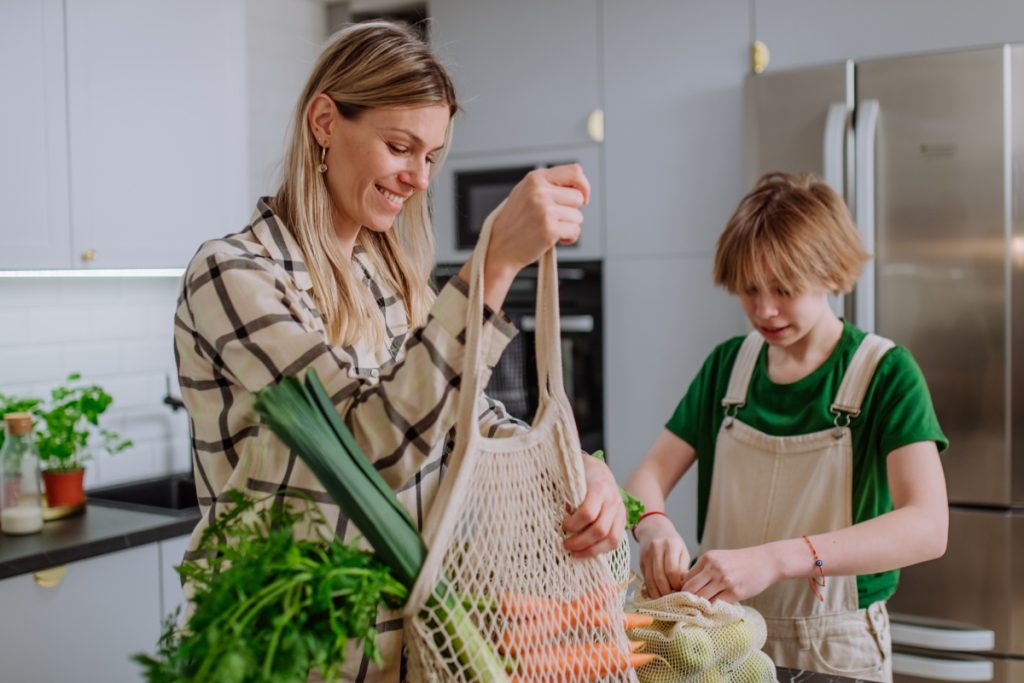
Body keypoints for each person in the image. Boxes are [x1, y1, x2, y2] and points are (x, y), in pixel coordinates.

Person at [173, 21, 625, 681]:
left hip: (393, 647)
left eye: (431, 155)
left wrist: (578, 470)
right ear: (325, 121)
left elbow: (456, 418)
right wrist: (492, 264)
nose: (418, 176)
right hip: (279, 652)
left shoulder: (393, 279)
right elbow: (362, 449)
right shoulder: (233, 275)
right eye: (399, 146)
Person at [624, 172, 948, 682]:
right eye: (750, 289)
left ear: (831, 273)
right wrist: (653, 526)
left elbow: (928, 527)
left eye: (785, 289)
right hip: (720, 638)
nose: (764, 310)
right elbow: (647, 477)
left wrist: (778, 560)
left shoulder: (885, 373)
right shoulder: (728, 367)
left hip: (835, 643)